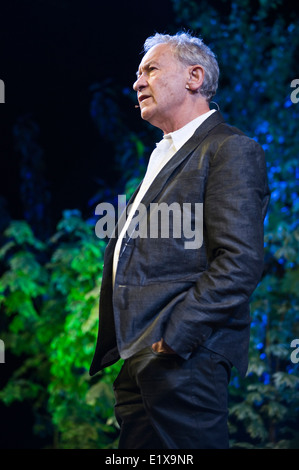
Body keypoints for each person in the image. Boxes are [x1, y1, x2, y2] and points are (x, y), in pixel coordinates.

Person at [90, 32, 270, 449]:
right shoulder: (162, 154)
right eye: (137, 73)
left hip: (185, 357)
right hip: (140, 358)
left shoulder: (230, 149)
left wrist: (173, 338)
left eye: (151, 69)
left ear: (194, 76)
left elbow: (239, 261)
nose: (137, 83)